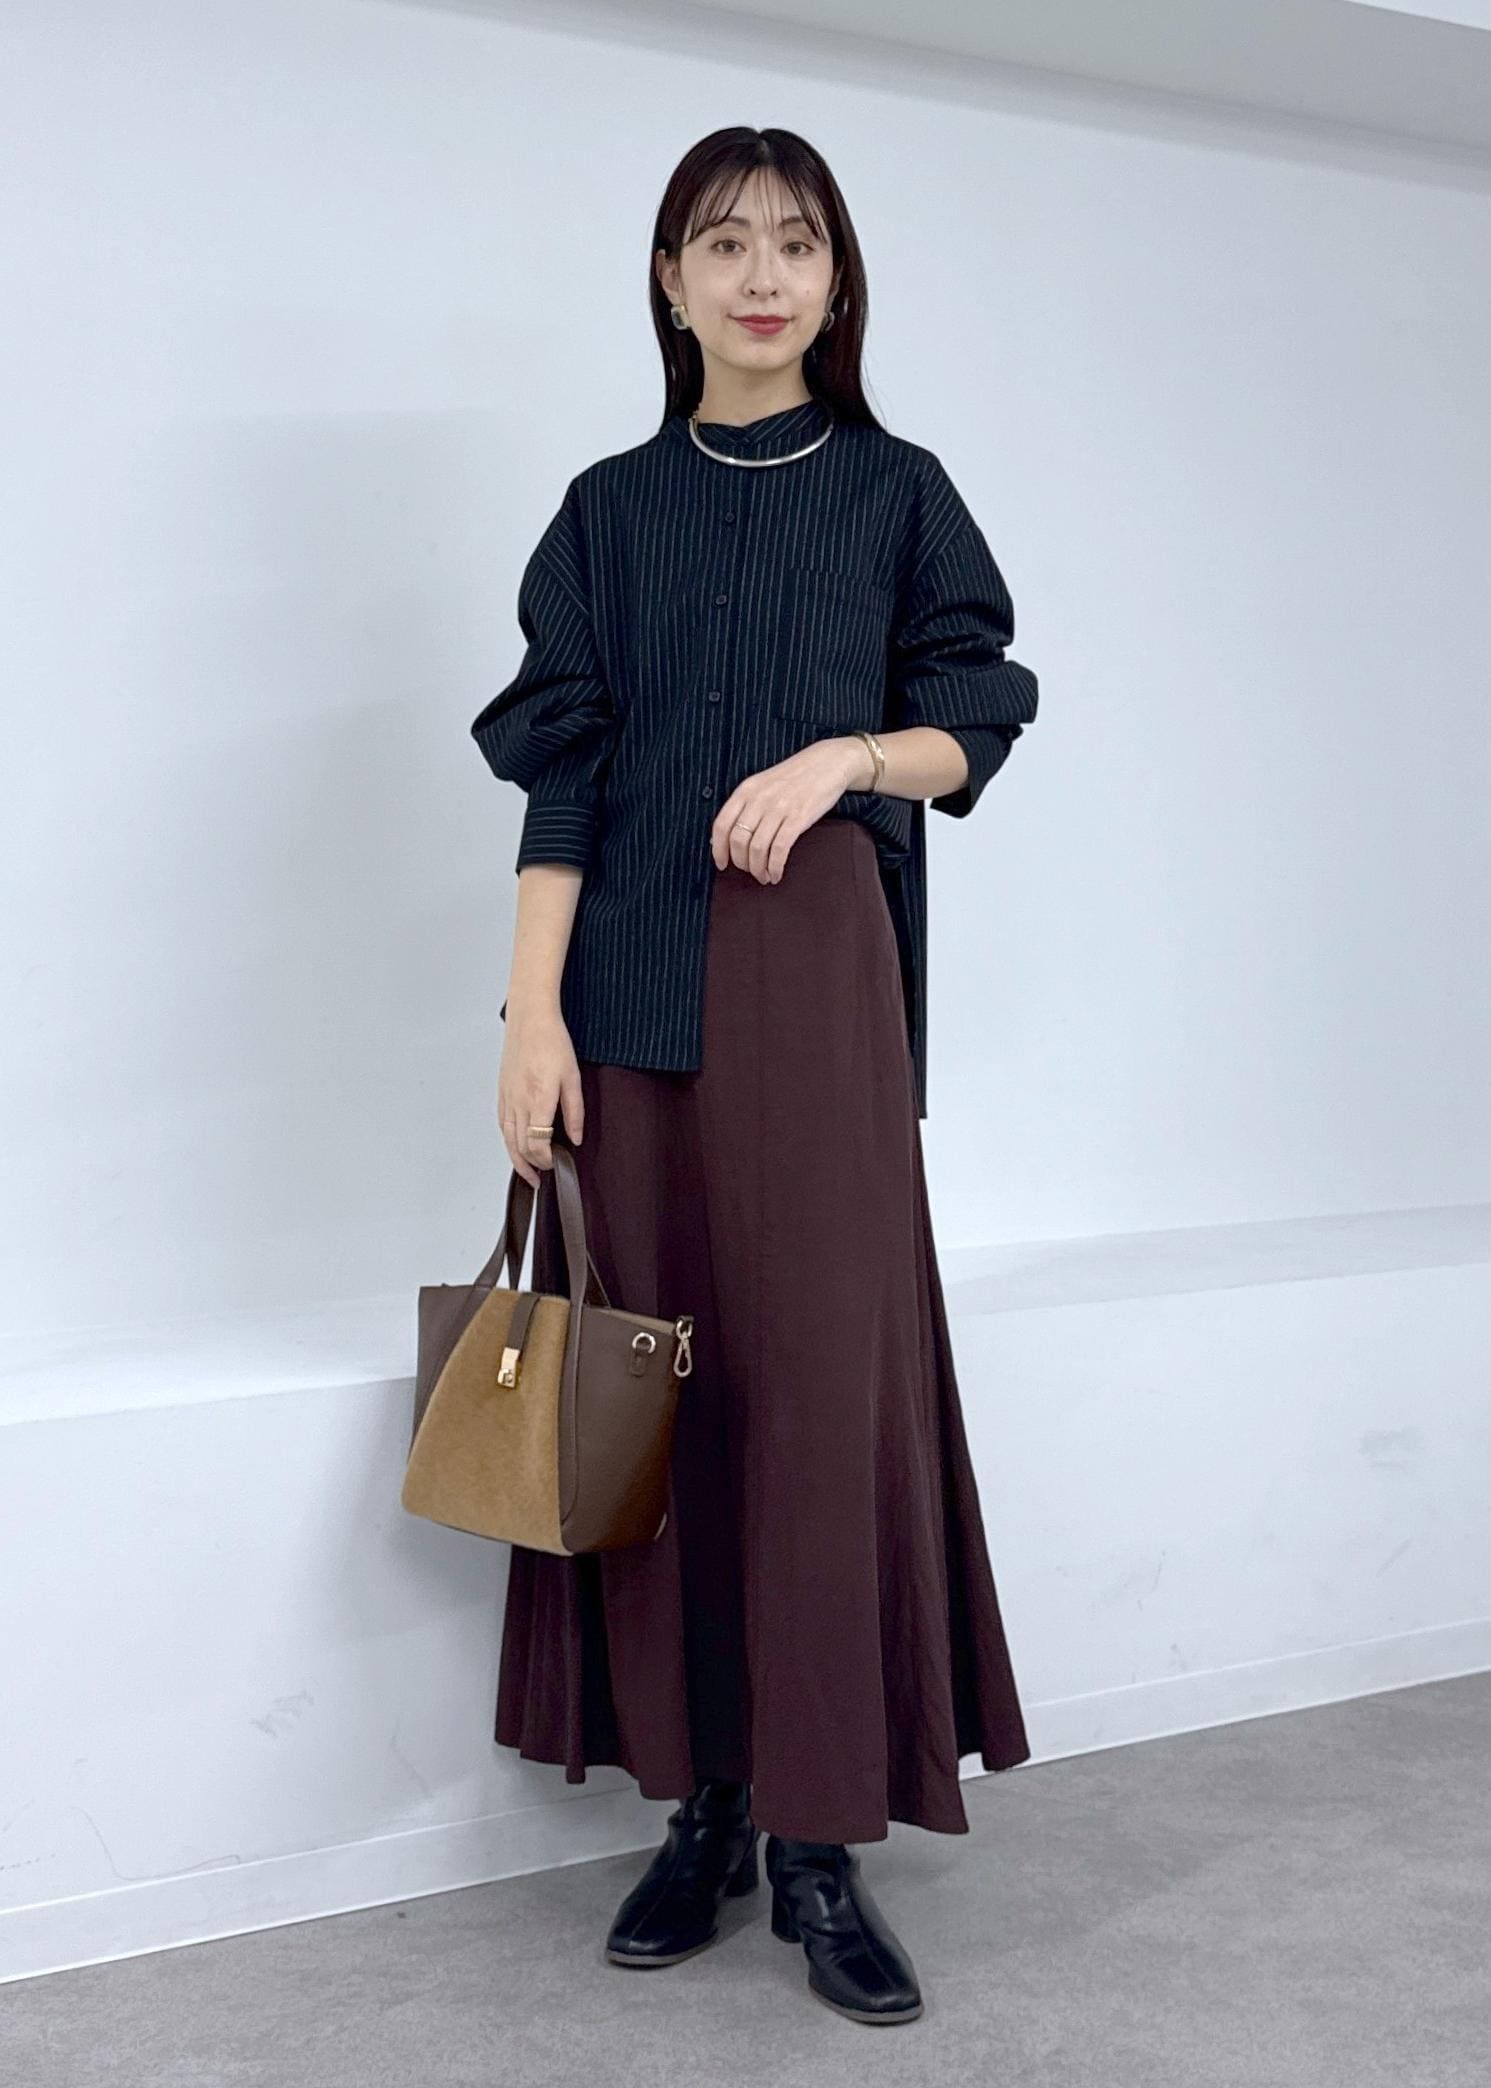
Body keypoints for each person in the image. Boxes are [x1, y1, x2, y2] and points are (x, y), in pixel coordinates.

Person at [469, 126, 1039, 2029]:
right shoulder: (606, 514)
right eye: (724, 244)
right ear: (670, 279)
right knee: (662, 1391)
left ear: (838, 278)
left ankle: (818, 1839)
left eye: (796, 244)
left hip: (816, 986)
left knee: (818, 1392)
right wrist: (528, 1021)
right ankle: (703, 1807)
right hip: (626, 997)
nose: (763, 276)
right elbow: (563, 782)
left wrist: (845, 759)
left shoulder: (896, 492)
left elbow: (978, 711)